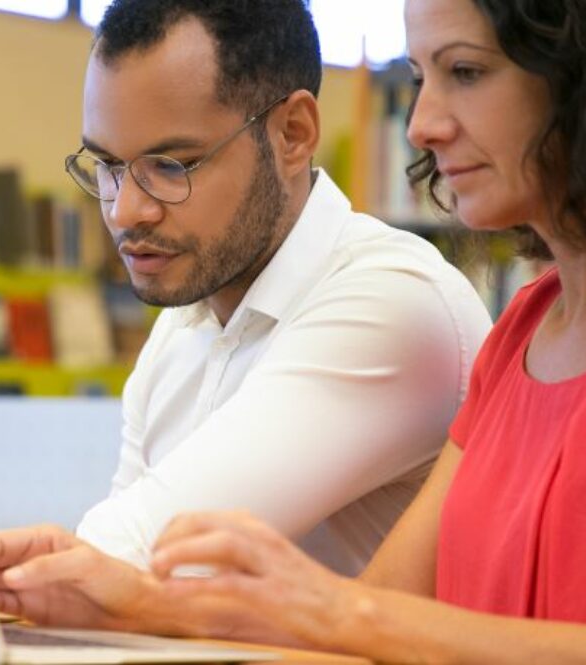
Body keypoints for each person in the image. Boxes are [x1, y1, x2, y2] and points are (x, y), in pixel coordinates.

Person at [0, 0, 586, 661]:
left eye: (465, 73)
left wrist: (324, 609)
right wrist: (140, 603)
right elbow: (367, 631)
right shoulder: (526, 332)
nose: (424, 125)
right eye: (420, 77)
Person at [58, 0, 492, 575]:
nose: (124, 211)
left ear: (294, 133)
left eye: (171, 165)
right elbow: (114, 561)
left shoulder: (392, 301)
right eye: (109, 165)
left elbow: (148, 557)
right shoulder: (183, 326)